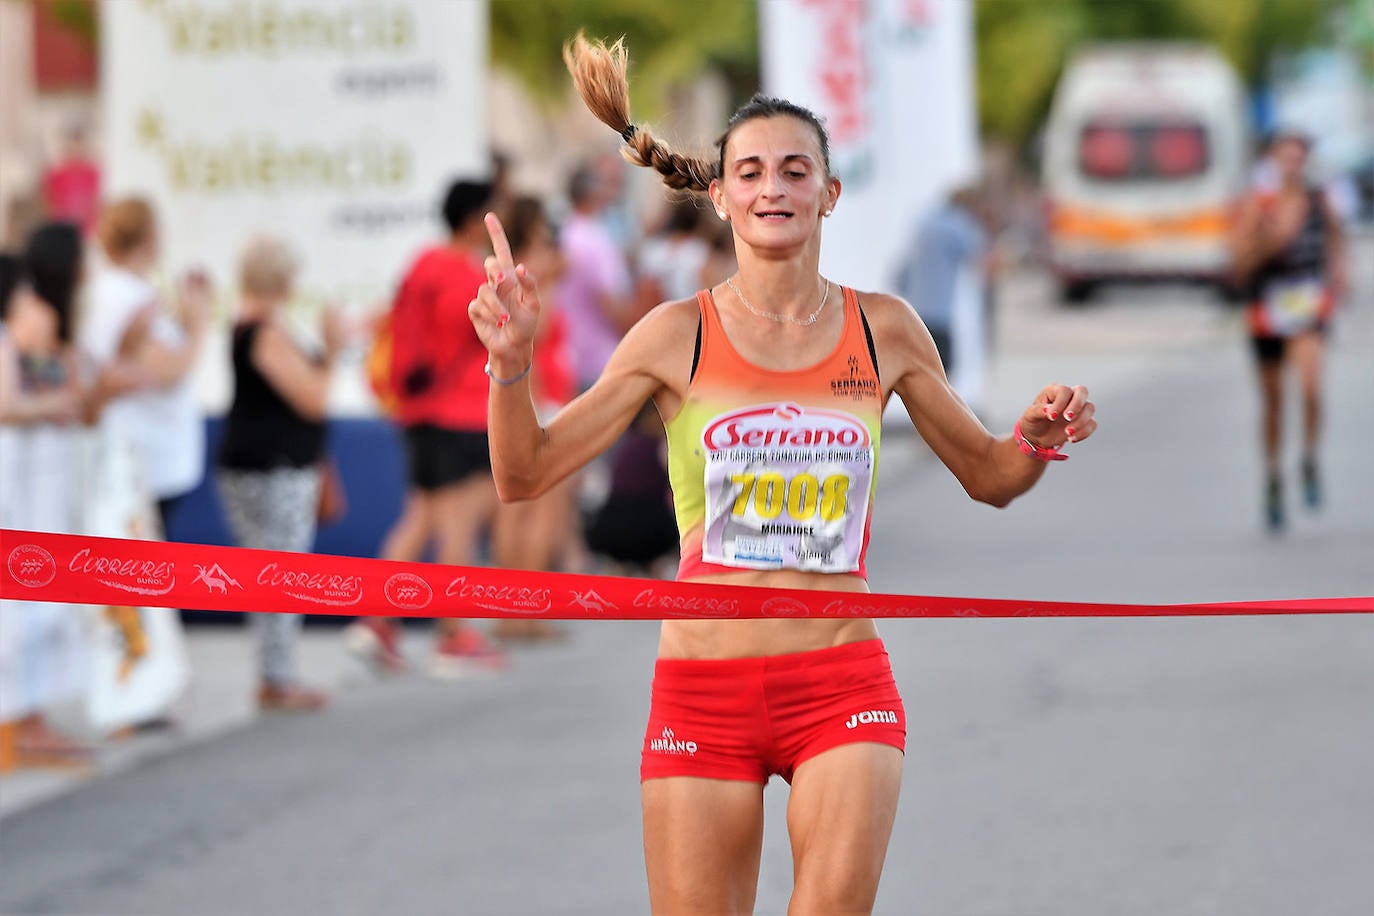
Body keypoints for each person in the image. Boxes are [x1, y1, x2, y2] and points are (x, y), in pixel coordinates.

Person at [468, 34, 1097, 915]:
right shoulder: (671, 335)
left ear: (828, 194)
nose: (775, 187)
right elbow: (525, 475)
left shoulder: (886, 329)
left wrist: (1031, 439)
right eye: (753, 172)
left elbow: (990, 476)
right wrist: (511, 363)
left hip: (841, 687)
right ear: (720, 196)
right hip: (702, 692)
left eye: (796, 171)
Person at [344, 180, 507, 677]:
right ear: (476, 217)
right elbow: (488, 331)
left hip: (418, 413)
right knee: (458, 523)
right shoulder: (462, 275)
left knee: (420, 518)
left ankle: (375, 622)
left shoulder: (422, 265)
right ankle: (453, 632)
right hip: (458, 414)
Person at [0, 227, 115, 763]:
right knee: (27, 604)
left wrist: (53, 359)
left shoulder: (30, 339)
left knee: (43, 601)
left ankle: (30, 716)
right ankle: (23, 722)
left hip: (45, 482)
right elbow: (18, 404)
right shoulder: (9, 337)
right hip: (22, 488)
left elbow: (53, 393)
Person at [215, 236, 339, 712]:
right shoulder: (265, 332)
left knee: (272, 569)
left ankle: (276, 671)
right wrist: (330, 350)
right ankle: (277, 675)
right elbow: (312, 398)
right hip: (272, 469)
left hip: (264, 465)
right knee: (283, 570)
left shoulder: (252, 327)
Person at [1231, 129, 1349, 531]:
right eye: (1285, 158)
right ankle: (1273, 475)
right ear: (1274, 161)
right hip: (1267, 307)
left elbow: (1337, 239)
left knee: (1312, 386)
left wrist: (1339, 273)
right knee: (1274, 400)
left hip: (1308, 304)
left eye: (1298, 158)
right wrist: (1271, 237)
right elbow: (1240, 262)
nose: (1292, 165)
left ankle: (1309, 459)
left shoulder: (1320, 202)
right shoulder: (1260, 206)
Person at [81, 197, 210, 540]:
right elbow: (164, 371)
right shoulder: (125, 297)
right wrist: (198, 325)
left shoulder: (115, 293)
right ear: (148, 239)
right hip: (146, 456)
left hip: (143, 452)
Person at [489, 196, 577, 643]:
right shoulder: (538, 270)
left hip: (528, 393)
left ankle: (512, 612)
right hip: (545, 394)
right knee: (543, 507)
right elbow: (537, 336)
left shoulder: (511, 272)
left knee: (515, 511)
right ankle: (529, 612)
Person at [894, 185, 995, 414]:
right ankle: (937, 430)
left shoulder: (925, 223)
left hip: (914, 311)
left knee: (919, 375)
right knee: (941, 376)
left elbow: (901, 274)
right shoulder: (959, 226)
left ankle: (922, 427)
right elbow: (983, 262)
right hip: (939, 313)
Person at [559, 161, 634, 390]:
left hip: (572, 356)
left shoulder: (566, 232)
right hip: (600, 361)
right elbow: (610, 303)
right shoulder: (594, 241)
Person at [41, 122, 100, 235]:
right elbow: (50, 201)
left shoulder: (92, 172)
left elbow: (96, 199)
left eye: (79, 145)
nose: (76, 150)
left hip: (88, 229)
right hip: (62, 228)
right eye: (72, 145)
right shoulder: (56, 173)